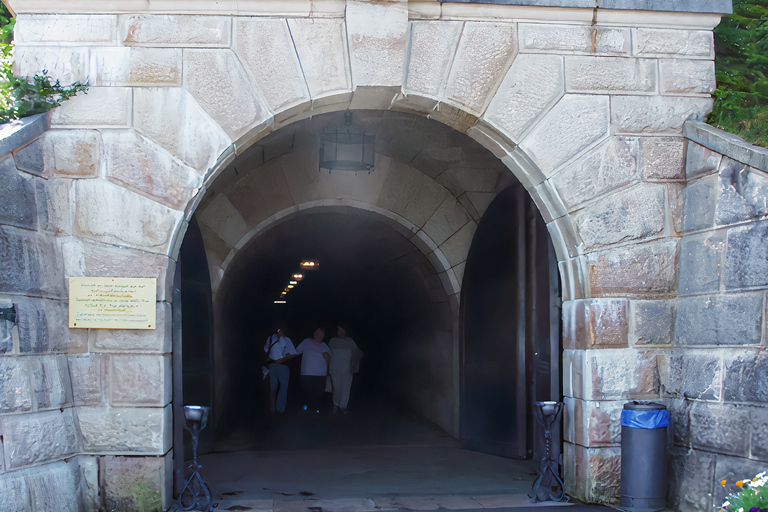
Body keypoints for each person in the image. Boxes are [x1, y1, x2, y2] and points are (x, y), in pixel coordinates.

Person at [295, 327, 331, 413]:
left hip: (321, 374)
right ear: (314, 334)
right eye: (318, 333)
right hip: (307, 373)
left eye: (321, 334)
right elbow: (295, 352)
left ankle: (316, 409)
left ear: (323, 336)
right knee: (307, 391)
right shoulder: (306, 341)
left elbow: (329, 360)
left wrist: (327, 372)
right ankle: (306, 407)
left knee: (319, 393)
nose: (319, 336)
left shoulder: (324, 346)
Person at [328, 324, 363, 414]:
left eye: (342, 330)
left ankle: (343, 406)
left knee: (346, 388)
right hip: (335, 368)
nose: (340, 332)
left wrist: (358, 356)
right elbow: (328, 353)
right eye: (339, 330)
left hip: (348, 368)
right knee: (337, 387)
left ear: (345, 331)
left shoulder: (350, 341)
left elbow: (357, 351)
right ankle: (336, 403)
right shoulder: (333, 341)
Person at [264, 327, 297, 414]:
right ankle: (272, 410)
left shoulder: (286, 339)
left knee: (282, 388)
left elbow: (293, 353)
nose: (279, 331)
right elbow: (265, 349)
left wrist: (284, 358)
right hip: (272, 366)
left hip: (283, 366)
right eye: (278, 330)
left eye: (280, 330)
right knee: (273, 388)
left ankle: (279, 410)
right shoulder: (271, 338)